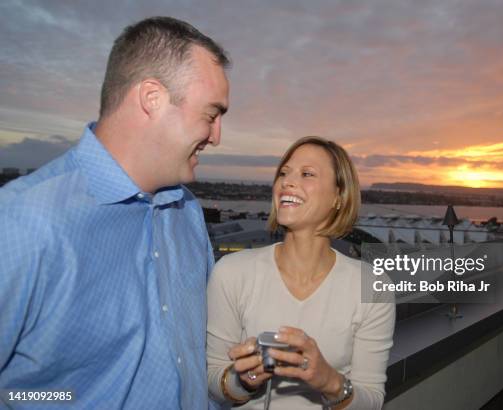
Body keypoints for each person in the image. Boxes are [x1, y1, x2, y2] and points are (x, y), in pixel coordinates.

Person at [0, 17, 229, 409]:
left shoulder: (187, 213)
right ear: (152, 98)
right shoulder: (20, 223)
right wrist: (63, 399)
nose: (216, 136)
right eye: (211, 115)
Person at [206, 137, 395, 409]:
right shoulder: (231, 273)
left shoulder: (372, 286)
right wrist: (243, 380)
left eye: (307, 174)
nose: (286, 182)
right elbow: (214, 380)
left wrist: (329, 380)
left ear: (338, 198)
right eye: (283, 173)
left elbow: (372, 401)